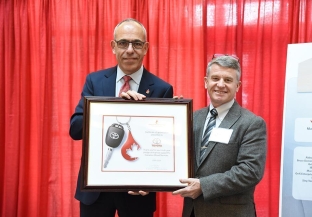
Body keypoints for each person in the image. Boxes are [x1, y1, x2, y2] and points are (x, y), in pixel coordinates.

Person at [69, 18, 173, 217]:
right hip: (96, 188)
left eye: (137, 44)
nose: (130, 49)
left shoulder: (162, 88)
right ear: (113, 47)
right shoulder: (95, 81)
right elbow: (75, 129)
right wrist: (114, 106)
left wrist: (152, 181)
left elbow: (163, 146)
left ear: (146, 48)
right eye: (123, 43)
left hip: (138, 190)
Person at [173, 54, 267, 217]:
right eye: (215, 78)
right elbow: (174, 156)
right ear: (206, 82)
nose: (220, 85)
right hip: (192, 211)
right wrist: (172, 115)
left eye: (228, 80)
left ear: (238, 86)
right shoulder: (191, 118)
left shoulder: (252, 123)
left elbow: (250, 171)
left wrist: (204, 185)